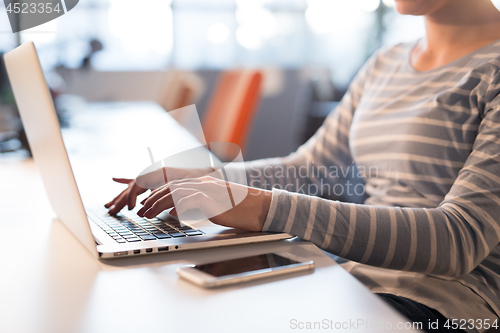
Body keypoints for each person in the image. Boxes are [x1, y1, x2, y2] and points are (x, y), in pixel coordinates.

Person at [105, 0, 500, 331]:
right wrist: (209, 178)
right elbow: (312, 166)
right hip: (352, 279)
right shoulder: (387, 62)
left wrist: (265, 208)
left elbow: (460, 240)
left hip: (449, 309)